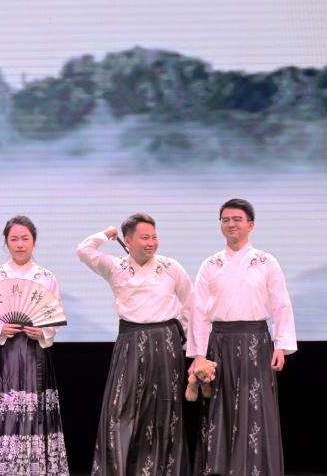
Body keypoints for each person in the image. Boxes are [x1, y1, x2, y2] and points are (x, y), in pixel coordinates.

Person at [76, 214, 192, 475]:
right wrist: (106, 234)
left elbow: (191, 303)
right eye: (144, 237)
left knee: (165, 408)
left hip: (165, 342)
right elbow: (83, 250)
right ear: (127, 241)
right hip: (130, 341)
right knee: (120, 408)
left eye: (154, 237)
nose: (151, 242)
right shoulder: (115, 266)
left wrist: (180, 334)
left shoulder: (170, 266)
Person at [188, 198, 297, 475]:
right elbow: (198, 310)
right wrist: (199, 354)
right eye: (225, 219)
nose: (231, 224)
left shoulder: (266, 262)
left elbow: (281, 303)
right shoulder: (210, 264)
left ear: (251, 225)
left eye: (237, 219)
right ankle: (219, 468)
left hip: (255, 341)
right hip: (220, 342)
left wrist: (281, 345)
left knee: (256, 405)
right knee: (220, 406)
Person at [0, 215, 68, 476]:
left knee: (35, 413)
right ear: (7, 242)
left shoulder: (46, 277)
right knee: (6, 413)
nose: (20, 244)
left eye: (25, 238)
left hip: (35, 354)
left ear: (34, 241)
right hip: (3, 356)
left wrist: (43, 330)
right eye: (14, 239)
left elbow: (55, 313)